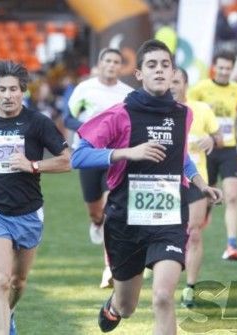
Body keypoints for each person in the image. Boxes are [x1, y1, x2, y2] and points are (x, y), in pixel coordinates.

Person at [71, 39, 222, 334]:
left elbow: (180, 158)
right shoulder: (120, 113)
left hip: (167, 218)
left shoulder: (183, 114)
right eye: (152, 65)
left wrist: (201, 183)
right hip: (125, 220)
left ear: (173, 71)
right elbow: (78, 155)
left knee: (164, 297)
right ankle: (114, 306)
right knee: (128, 307)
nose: (159, 70)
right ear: (138, 74)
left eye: (165, 65)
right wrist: (127, 152)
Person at [0, 60, 71, 335]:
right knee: (0, 280)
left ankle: (11, 310)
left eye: (13, 89)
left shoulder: (38, 123)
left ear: (23, 91)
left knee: (18, 282)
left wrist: (33, 165)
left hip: (29, 213)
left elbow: (67, 160)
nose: (7, 95)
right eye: (1, 89)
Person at [66, 48, 133, 288]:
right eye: (108, 60)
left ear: (120, 66)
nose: (112, 65)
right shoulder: (85, 88)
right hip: (88, 155)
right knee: (96, 213)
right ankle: (95, 223)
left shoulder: (128, 94)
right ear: (100, 63)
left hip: (114, 157)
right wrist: (91, 127)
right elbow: (67, 119)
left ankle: (109, 268)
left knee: (109, 210)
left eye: (116, 61)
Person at [188, 50, 237, 261]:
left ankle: (232, 245)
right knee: (206, 197)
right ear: (214, 67)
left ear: (233, 69)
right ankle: (202, 217)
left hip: (229, 148)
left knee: (232, 196)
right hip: (208, 149)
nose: (224, 72)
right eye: (220, 67)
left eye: (228, 68)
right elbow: (189, 110)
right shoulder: (200, 89)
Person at [169, 68, 222, 308]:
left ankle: (189, 287)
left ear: (186, 84)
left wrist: (211, 140)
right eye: (169, 81)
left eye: (176, 82)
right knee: (161, 231)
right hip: (164, 181)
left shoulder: (200, 110)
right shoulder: (157, 111)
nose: (171, 86)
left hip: (195, 179)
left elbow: (221, 137)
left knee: (194, 232)